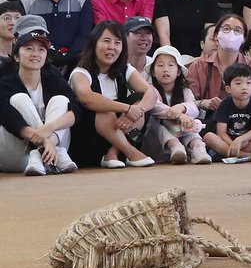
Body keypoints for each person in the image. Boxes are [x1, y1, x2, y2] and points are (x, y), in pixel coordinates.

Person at [67, 20, 157, 168]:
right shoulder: (81, 71)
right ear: (94, 43)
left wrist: (136, 110)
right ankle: (131, 153)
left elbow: (151, 93)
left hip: (120, 134)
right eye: (106, 41)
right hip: (89, 142)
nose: (112, 47)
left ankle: (113, 152)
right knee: (105, 109)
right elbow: (87, 98)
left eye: (117, 42)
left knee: (139, 101)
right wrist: (126, 109)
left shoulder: (124, 69)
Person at [0, 16, 78, 175]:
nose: (35, 54)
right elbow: (8, 118)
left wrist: (49, 130)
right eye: (28, 48)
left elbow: (76, 110)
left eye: (41, 49)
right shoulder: (5, 81)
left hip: (51, 148)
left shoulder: (53, 78)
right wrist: (43, 141)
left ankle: (43, 154)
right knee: (19, 99)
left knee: (61, 100)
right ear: (16, 55)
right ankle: (45, 151)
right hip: (17, 155)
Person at [143, 44, 211, 164]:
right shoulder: (151, 90)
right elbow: (155, 108)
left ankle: (198, 148)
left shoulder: (185, 91)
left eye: (171, 65)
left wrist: (182, 108)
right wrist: (178, 115)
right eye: (160, 65)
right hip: (157, 142)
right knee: (158, 125)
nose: (165, 69)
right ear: (153, 71)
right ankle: (175, 146)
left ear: (178, 71)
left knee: (190, 128)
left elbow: (194, 109)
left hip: (180, 131)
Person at [188, 14, 251, 117]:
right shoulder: (198, 66)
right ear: (216, 35)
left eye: (238, 30)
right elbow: (188, 101)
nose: (231, 34)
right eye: (226, 29)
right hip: (208, 122)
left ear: (244, 39)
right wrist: (204, 103)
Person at [203, 62, 251, 162]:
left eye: (248, 83)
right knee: (208, 137)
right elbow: (221, 132)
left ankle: (223, 154)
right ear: (228, 89)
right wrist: (232, 144)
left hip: (247, 141)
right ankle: (250, 156)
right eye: (238, 83)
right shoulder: (224, 104)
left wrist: (240, 140)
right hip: (228, 141)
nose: (244, 87)